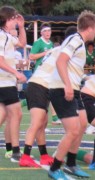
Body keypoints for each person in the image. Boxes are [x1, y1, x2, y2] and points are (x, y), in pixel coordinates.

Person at [48, 10, 95, 179]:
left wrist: (84, 78)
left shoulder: (79, 43)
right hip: (62, 89)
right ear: (90, 28)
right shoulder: (76, 39)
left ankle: (71, 164)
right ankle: (55, 168)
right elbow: (60, 61)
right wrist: (68, 86)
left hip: (74, 90)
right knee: (72, 131)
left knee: (82, 125)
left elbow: (71, 67)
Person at [18, 26, 78, 168]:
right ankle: (25, 156)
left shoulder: (56, 49)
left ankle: (44, 155)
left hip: (42, 85)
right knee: (37, 123)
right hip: (39, 85)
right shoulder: (65, 51)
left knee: (42, 123)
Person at [0, 6, 27, 162]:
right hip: (4, 82)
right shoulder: (2, 36)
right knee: (16, 114)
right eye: (14, 19)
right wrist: (16, 73)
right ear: (8, 19)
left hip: (5, 81)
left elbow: (22, 43)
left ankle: (10, 149)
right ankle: (15, 151)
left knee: (4, 115)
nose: (15, 21)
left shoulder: (6, 35)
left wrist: (22, 27)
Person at [27, 22, 61, 125]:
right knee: (48, 94)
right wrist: (45, 53)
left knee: (49, 94)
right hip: (40, 73)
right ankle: (55, 117)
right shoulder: (38, 42)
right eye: (45, 31)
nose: (47, 33)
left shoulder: (50, 43)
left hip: (49, 73)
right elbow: (31, 56)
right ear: (41, 33)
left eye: (49, 30)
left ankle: (54, 117)